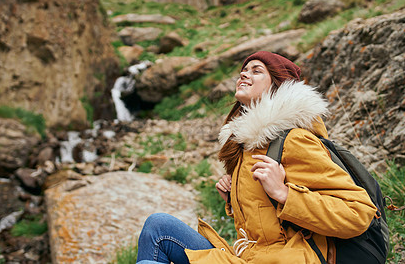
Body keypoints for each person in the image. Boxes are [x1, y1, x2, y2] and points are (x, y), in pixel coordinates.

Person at [136, 51, 377, 264]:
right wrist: (233, 198)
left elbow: (358, 213)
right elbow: (266, 226)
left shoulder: (294, 140)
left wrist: (284, 194)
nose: (243, 74)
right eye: (243, 70)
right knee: (158, 226)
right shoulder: (249, 146)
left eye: (256, 70)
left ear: (277, 86)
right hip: (250, 256)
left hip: (289, 258)